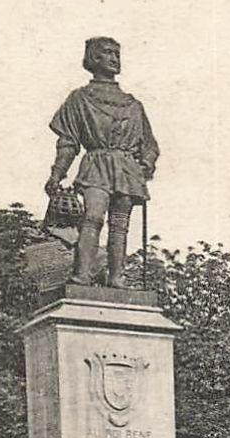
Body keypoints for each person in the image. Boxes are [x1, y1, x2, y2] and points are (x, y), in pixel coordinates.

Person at [45, 37, 160, 287]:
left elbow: (149, 145)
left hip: (126, 169)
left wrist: (144, 166)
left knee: (120, 226)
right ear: (93, 58)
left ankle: (117, 277)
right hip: (96, 165)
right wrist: (57, 174)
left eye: (117, 54)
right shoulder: (79, 99)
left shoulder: (134, 105)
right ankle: (83, 275)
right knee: (92, 218)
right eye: (107, 53)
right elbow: (68, 142)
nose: (114, 59)